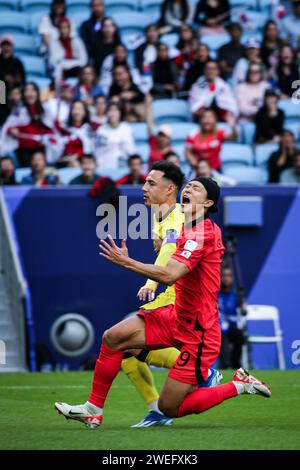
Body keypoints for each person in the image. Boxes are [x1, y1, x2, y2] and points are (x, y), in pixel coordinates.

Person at [55, 174, 271, 429]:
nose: (188, 188)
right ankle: (93, 410)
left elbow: (170, 274)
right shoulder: (186, 227)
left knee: (170, 407)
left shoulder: (200, 233)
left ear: (209, 203)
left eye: (196, 188)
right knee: (113, 338)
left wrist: (127, 262)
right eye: (188, 185)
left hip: (199, 330)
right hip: (176, 315)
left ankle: (238, 385)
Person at [4, 83, 54, 167]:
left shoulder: (45, 110)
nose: (30, 93)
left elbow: (51, 128)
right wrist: (11, 130)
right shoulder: (18, 111)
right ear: (23, 94)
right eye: (27, 90)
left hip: (41, 147)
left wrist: (47, 137)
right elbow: (8, 126)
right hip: (24, 148)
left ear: (37, 93)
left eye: (33, 90)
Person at [218, 266, 247, 369]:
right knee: (221, 338)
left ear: (232, 278)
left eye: (229, 275)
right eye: (224, 275)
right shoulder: (215, 294)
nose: (226, 278)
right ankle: (225, 366)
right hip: (219, 330)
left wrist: (243, 306)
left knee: (240, 336)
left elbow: (243, 312)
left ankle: (237, 366)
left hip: (233, 328)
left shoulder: (237, 295)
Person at [94, 102, 136, 171]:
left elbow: (131, 150)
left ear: (120, 113)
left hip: (123, 167)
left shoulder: (127, 128)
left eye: (115, 110)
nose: (112, 113)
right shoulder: (101, 130)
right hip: (104, 167)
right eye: (110, 110)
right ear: (106, 113)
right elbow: (98, 153)